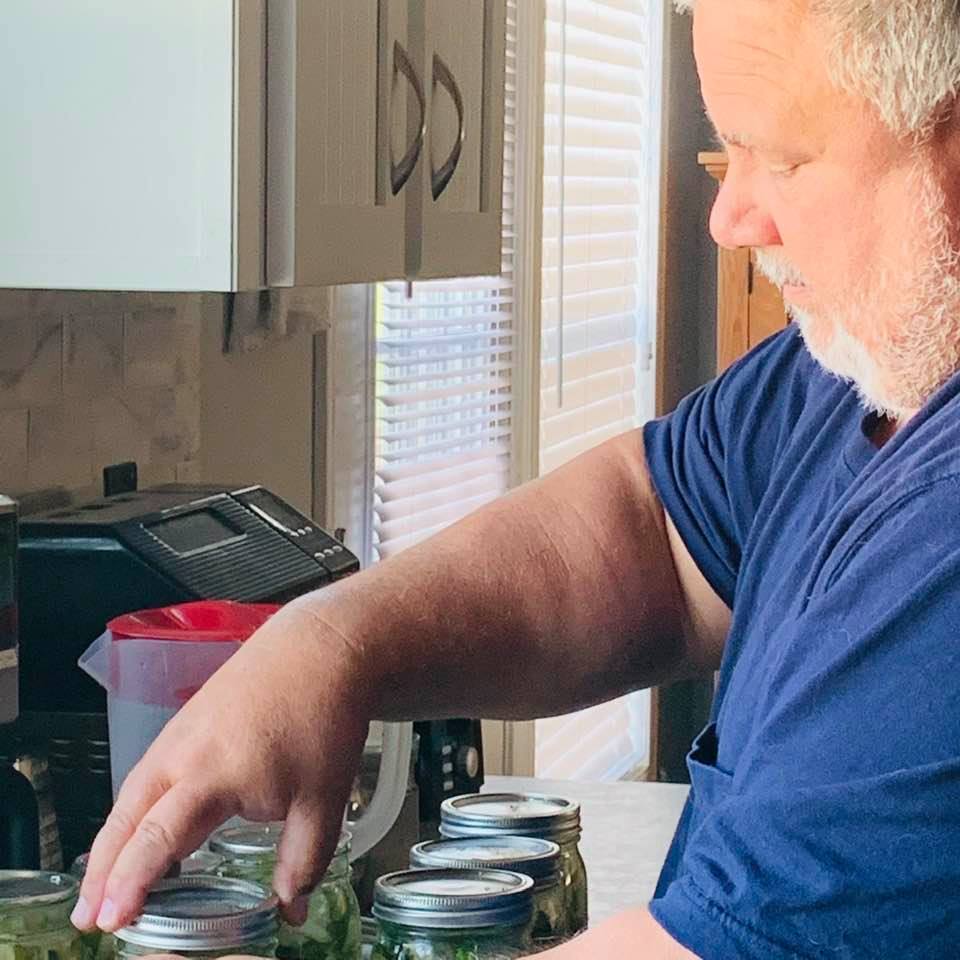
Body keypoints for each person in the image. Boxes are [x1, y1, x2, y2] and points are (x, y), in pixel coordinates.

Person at [71, 0, 960, 955]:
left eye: (781, 157)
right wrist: (329, 642)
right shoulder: (872, 357)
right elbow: (657, 534)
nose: (730, 216)